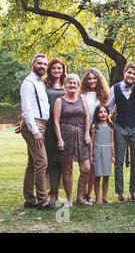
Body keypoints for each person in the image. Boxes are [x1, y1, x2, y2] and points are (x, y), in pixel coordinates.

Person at [53, 74, 92, 206]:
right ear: (65, 85)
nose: (72, 85)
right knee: (67, 169)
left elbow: (87, 117)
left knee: (86, 168)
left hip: (81, 134)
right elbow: (56, 122)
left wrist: (87, 134)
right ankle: (69, 199)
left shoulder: (82, 98)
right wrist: (59, 139)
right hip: (66, 134)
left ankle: (80, 198)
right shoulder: (59, 101)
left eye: (75, 83)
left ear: (78, 85)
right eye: (70, 83)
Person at [20, 53, 53, 210]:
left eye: (45, 64)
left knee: (32, 163)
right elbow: (26, 109)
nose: (43, 66)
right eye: (39, 63)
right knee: (42, 162)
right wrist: (34, 130)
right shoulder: (28, 83)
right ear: (32, 64)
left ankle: (29, 199)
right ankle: (42, 201)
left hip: (40, 124)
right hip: (35, 126)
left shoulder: (40, 83)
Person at [106, 62, 135, 203]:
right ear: (124, 72)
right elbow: (108, 107)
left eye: (134, 74)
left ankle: (132, 192)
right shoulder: (115, 88)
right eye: (129, 73)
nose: (131, 76)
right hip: (120, 126)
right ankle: (120, 193)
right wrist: (106, 124)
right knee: (118, 162)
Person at [79, 67, 110, 203]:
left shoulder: (103, 96)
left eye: (94, 78)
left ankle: (89, 194)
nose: (92, 80)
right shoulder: (82, 95)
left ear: (98, 79)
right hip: (84, 131)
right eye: (89, 78)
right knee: (85, 165)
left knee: (93, 166)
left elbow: (106, 112)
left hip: (97, 132)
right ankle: (82, 192)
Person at [43, 57, 67, 205]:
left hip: (63, 127)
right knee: (49, 161)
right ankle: (49, 192)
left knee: (61, 162)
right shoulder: (44, 85)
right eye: (54, 68)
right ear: (49, 70)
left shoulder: (67, 85)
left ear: (63, 70)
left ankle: (57, 193)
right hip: (48, 127)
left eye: (59, 68)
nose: (57, 71)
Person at [90, 104, 115, 204]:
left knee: (106, 175)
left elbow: (112, 141)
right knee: (97, 175)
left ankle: (104, 197)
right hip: (97, 151)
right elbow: (91, 141)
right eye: (100, 112)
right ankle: (97, 198)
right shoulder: (94, 126)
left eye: (105, 112)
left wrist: (113, 154)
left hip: (107, 151)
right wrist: (91, 155)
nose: (103, 114)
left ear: (108, 113)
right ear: (97, 114)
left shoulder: (111, 126)